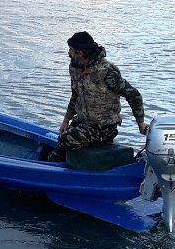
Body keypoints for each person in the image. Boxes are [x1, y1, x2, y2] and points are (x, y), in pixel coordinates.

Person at [49, 31, 149, 162]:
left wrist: (140, 123)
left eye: (71, 50)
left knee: (65, 139)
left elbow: (133, 95)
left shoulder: (107, 71)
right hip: (83, 123)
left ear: (80, 53)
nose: (69, 53)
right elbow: (75, 96)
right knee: (59, 146)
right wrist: (66, 121)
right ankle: (51, 169)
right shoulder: (75, 68)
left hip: (104, 128)